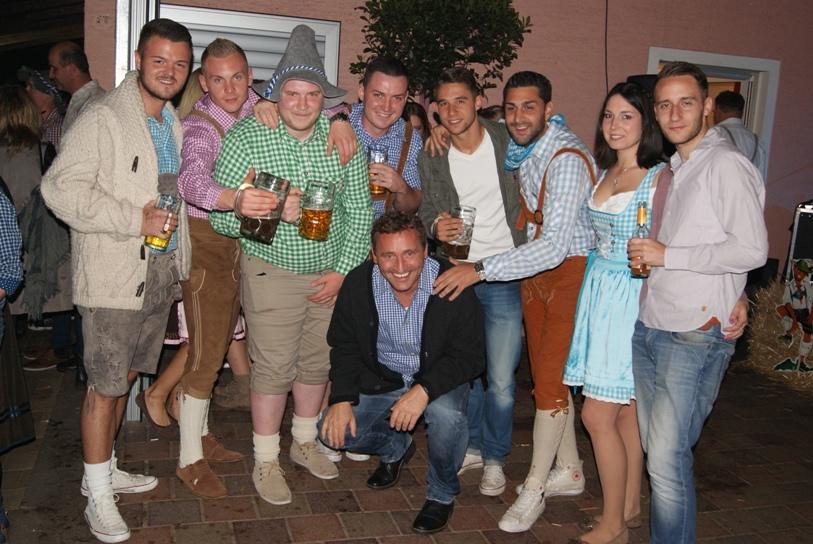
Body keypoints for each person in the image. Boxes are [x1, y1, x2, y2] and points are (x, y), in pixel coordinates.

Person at [41, 18, 193, 543]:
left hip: (157, 271)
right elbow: (58, 189)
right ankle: (97, 496)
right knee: (104, 388)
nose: (169, 71)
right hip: (113, 275)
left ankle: (103, 470)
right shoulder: (104, 117)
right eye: (159, 60)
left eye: (179, 63)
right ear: (138, 60)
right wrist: (134, 220)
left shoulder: (169, 121)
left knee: (126, 377)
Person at [209, 24, 373, 506]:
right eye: (293, 93)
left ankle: (304, 442)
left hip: (329, 272)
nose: (302, 104)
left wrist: (343, 271)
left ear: (325, 99)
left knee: (317, 362)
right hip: (271, 270)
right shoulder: (247, 137)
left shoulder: (343, 140)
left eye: (312, 94)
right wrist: (269, 210)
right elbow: (219, 218)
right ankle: (265, 459)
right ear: (276, 95)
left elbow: (360, 211)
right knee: (274, 368)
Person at [432, 71, 596, 533]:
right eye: (512, 108)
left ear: (549, 108)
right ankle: (571, 470)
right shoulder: (522, 144)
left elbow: (555, 246)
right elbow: (464, 125)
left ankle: (535, 488)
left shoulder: (565, 159)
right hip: (533, 275)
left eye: (530, 107)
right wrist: (438, 128)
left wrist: (481, 269)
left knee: (546, 386)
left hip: (565, 272)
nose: (519, 117)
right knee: (549, 379)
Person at [628, 61, 768, 543]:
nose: (674, 114)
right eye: (664, 105)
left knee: (666, 462)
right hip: (653, 322)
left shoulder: (725, 164)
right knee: (661, 455)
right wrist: (736, 291)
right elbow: (719, 244)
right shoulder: (677, 167)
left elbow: (752, 248)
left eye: (686, 102)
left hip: (693, 331)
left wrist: (668, 255)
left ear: (708, 106)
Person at [319, 211, 485, 533]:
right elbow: (344, 345)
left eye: (409, 253)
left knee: (447, 415)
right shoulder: (358, 283)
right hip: (384, 378)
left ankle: (441, 493)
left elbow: (471, 356)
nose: (400, 267)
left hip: (438, 378)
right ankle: (396, 447)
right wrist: (340, 398)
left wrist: (424, 390)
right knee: (331, 431)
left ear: (426, 251)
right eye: (388, 256)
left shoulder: (452, 283)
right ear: (373, 255)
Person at [561, 82, 666, 544]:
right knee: (624, 414)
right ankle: (629, 507)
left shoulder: (659, 178)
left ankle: (613, 526)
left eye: (626, 116)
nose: (614, 125)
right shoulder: (607, 170)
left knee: (596, 416)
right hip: (599, 291)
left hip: (630, 296)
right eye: (608, 115)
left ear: (646, 122)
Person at [417, 67, 524, 497]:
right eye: (443, 104)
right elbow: (428, 209)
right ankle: (475, 447)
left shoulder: (508, 140)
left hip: (503, 272)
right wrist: (434, 227)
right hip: (456, 273)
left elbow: (549, 128)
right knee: (468, 370)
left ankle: (496, 457)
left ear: (479, 101)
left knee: (501, 378)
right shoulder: (433, 153)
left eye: (460, 100)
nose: (451, 111)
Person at [350, 56, 423, 217]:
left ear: (405, 98)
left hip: (382, 230)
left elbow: (411, 207)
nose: (387, 107)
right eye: (378, 95)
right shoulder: (340, 122)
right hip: (336, 230)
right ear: (362, 92)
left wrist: (401, 188)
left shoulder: (410, 138)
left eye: (397, 98)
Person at [47, 41, 106, 132]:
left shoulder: (92, 105)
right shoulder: (83, 102)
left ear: (72, 70)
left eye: (54, 69)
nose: (51, 75)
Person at [713, 90, 767, 180]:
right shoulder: (756, 141)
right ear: (741, 111)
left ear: (718, 109)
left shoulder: (714, 134)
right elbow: (760, 179)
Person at [17, 66, 64, 149]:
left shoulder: (55, 128)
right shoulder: (40, 125)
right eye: (26, 86)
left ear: (49, 95)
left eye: (31, 86)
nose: (26, 90)